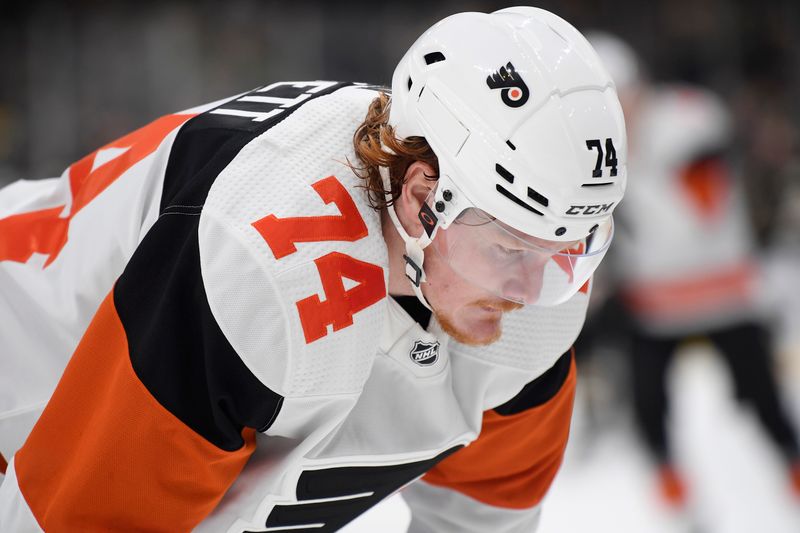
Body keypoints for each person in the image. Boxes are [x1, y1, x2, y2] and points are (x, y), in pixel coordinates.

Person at [0, 8, 626, 532]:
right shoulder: (260, 267)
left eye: (570, 250)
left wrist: (529, 250)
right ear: (421, 196)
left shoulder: (533, 279)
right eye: (512, 249)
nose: (531, 292)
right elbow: (84, 518)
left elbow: (483, 514)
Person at [588, 32, 800, 507]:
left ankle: (790, 464)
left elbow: (706, 194)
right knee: (648, 400)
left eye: (619, 97)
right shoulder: (604, 144)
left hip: (721, 292)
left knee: (762, 394)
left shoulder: (683, 118)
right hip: (658, 300)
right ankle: (669, 477)